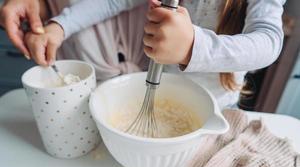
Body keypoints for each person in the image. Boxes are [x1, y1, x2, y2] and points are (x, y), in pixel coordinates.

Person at [2, 0, 286, 109]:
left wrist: (193, 47)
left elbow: (269, 41)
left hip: (217, 109)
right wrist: (59, 26)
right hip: (158, 100)